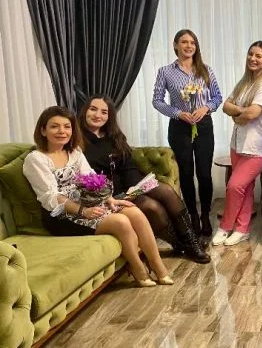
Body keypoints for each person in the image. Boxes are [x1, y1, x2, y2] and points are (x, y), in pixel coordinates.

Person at [23, 106, 173, 287]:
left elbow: (92, 179)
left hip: (87, 203)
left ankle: (157, 265)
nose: (62, 131)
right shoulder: (36, 159)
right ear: (43, 130)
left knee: (134, 212)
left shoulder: (74, 152)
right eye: (54, 126)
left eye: (67, 126)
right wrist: (82, 211)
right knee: (121, 221)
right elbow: (51, 197)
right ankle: (137, 268)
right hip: (61, 215)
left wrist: (109, 199)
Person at [79, 95, 210, 264]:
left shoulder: (114, 136)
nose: (98, 115)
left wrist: (135, 187)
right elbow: (85, 177)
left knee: (166, 191)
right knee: (151, 206)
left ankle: (190, 240)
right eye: (93, 109)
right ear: (85, 111)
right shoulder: (77, 140)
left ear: (109, 116)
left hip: (128, 187)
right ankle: (181, 244)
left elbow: (129, 165)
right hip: (106, 195)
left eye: (104, 112)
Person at [152, 29, 223, 238]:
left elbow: (217, 97)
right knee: (185, 173)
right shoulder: (165, 72)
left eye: (192, 42)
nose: (189, 46)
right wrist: (178, 113)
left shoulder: (206, 70)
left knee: (204, 173)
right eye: (184, 42)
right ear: (176, 45)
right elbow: (157, 101)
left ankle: (205, 215)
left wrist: (206, 108)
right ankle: (192, 215)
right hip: (179, 127)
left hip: (203, 126)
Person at [213, 41, 262, 247]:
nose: (253, 58)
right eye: (251, 54)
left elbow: (253, 113)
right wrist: (242, 111)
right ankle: (242, 229)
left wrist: (239, 112)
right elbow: (226, 106)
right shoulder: (244, 82)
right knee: (245, 188)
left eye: (258, 56)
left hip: (258, 146)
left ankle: (225, 227)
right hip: (238, 143)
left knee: (234, 186)